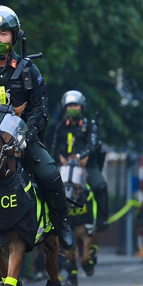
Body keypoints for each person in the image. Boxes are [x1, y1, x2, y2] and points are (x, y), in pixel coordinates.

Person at [0, 6, 75, 251]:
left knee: (51, 176)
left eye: (3, 33)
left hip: (22, 141)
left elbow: (39, 111)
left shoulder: (29, 71)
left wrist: (24, 137)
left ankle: (61, 224)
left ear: (14, 37)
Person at [51, 90, 110, 232]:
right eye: (70, 106)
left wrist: (80, 156)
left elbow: (93, 145)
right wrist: (60, 157)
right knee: (48, 187)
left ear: (82, 107)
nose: (73, 109)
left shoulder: (90, 126)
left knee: (101, 186)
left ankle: (102, 220)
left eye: (75, 106)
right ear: (65, 108)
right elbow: (55, 147)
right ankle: (50, 221)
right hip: (65, 166)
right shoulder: (60, 126)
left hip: (87, 165)